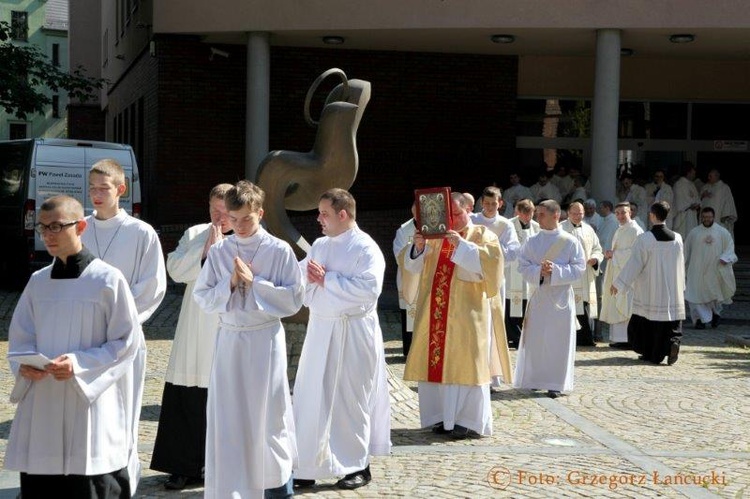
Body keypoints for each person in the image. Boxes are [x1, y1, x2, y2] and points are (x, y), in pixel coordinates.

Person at [5, 195, 141, 497]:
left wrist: (79, 364)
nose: (48, 235)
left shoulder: (107, 279)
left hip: (89, 403)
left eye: (56, 226)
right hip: (44, 402)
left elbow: (126, 342)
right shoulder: (38, 282)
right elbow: (20, 337)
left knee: (89, 484)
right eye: (43, 228)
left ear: (80, 226)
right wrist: (25, 365)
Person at [193, 180, 304, 498]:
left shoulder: (279, 250)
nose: (239, 226)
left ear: (260, 213)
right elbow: (202, 297)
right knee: (229, 418)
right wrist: (229, 283)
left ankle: (277, 487)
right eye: (233, 218)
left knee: (268, 416)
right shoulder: (220, 251)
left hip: (263, 341)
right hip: (230, 341)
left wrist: (257, 284)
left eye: (246, 219)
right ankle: (232, 488)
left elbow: (294, 299)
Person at [293, 188, 391, 491]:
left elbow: (369, 289)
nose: (319, 219)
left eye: (324, 213)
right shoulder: (320, 245)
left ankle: (357, 466)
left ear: (343, 214)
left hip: (353, 333)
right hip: (321, 329)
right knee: (310, 396)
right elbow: (300, 277)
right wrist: (309, 279)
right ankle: (306, 465)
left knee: (351, 399)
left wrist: (327, 280)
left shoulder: (366, 248)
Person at [80, 158, 167, 495]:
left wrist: (115, 316)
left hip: (124, 336)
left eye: (104, 188)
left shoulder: (140, 233)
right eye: (92, 189)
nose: (97, 195)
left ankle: (123, 483)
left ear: (121, 189)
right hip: (86, 336)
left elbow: (152, 286)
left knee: (122, 412)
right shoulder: (80, 229)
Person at [402, 192, 512, 437]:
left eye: (457, 214)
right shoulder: (433, 239)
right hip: (435, 313)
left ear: (467, 211)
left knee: (467, 364)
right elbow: (411, 268)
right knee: (436, 363)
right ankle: (440, 417)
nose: (452, 220)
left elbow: (491, 271)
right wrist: (417, 249)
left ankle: (468, 421)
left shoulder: (484, 235)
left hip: (469, 314)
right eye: (447, 215)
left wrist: (461, 245)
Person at [150, 183, 233, 490]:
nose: (219, 217)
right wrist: (205, 251)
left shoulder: (247, 237)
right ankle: (182, 465)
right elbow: (175, 269)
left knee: (224, 399)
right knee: (187, 393)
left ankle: (220, 465)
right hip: (196, 327)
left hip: (227, 328)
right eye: (214, 210)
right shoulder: (195, 233)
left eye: (225, 211)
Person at [513, 199, 585, 398]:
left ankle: (556, 382)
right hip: (539, 296)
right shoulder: (532, 241)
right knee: (536, 339)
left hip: (561, 299)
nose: (537, 217)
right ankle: (535, 379)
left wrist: (556, 271)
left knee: (558, 340)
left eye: (541, 214)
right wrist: (539, 272)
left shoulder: (570, 241)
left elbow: (580, 268)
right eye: (537, 213)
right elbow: (522, 266)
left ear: (556, 215)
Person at [610, 201, 685, 365]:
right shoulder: (677, 239)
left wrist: (619, 283)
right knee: (669, 320)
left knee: (649, 320)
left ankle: (652, 354)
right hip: (672, 288)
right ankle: (672, 343)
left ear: (651, 216)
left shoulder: (645, 239)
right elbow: (680, 266)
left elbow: (634, 264)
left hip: (650, 288)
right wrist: (681, 286)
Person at [470, 186, 519, 387]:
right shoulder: (472, 220)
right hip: (472, 278)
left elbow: (513, 251)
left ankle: (492, 375)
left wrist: (489, 254)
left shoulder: (505, 225)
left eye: (494, 204)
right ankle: (473, 369)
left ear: (500, 203)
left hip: (495, 281)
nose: (490, 207)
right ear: (482, 202)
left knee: (492, 324)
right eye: (487, 203)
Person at [684, 207, 737, 329]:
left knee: (713, 295)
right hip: (696, 270)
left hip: (714, 270)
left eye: (709, 217)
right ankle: (699, 321)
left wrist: (726, 258)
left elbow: (730, 247)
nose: (707, 219)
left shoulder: (722, 232)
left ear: (713, 217)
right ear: (701, 217)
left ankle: (715, 315)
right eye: (704, 217)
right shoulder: (694, 232)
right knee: (695, 295)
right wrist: (681, 264)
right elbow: (686, 250)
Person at [599, 202, 644, 347]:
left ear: (630, 212)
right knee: (617, 302)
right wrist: (611, 254)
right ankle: (618, 338)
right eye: (617, 213)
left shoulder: (635, 230)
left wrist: (615, 254)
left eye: (623, 213)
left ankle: (627, 339)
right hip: (617, 271)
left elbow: (636, 254)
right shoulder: (620, 229)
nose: (620, 216)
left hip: (628, 276)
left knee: (626, 305)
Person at [561, 201, 604, 346]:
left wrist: (595, 259)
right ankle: (572, 338)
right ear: (568, 213)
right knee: (571, 305)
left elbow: (598, 248)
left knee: (584, 305)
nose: (578, 216)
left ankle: (585, 338)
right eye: (574, 213)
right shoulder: (561, 229)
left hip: (585, 275)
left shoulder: (588, 229)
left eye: (580, 213)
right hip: (569, 276)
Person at [506, 198, 540, 348]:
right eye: (525, 213)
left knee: (527, 303)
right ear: (517, 212)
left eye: (531, 213)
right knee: (511, 303)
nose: (528, 217)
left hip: (529, 271)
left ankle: (525, 335)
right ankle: (513, 335)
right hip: (512, 270)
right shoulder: (509, 225)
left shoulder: (537, 227)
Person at [393, 201, 418, 356]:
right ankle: (410, 353)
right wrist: (416, 249)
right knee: (409, 317)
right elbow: (399, 255)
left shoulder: (435, 230)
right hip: (409, 281)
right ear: (412, 211)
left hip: (429, 281)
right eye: (416, 212)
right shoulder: (404, 230)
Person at [700, 168, 738, 239]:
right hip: (706, 220)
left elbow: (728, 202)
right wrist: (702, 196)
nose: (708, 178)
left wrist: (726, 215)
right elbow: (699, 203)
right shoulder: (705, 187)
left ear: (717, 176)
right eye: (708, 176)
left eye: (710, 176)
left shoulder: (724, 188)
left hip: (719, 219)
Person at [672, 162, 701, 240]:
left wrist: (697, 204)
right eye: (693, 172)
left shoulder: (692, 184)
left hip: (692, 216)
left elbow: (697, 198)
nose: (694, 174)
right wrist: (689, 205)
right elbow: (678, 202)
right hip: (683, 216)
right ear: (688, 172)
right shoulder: (678, 184)